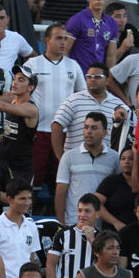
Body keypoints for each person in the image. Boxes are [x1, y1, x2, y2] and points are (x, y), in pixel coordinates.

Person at [26, 24, 85, 193]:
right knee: (34, 180)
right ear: (47, 41)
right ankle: (29, 216)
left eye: (65, 39)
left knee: (62, 181)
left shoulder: (73, 65)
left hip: (65, 133)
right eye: (59, 38)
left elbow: (82, 96)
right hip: (37, 132)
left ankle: (62, 218)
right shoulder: (32, 64)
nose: (63, 42)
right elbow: (21, 94)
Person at [55, 112, 121, 227]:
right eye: (86, 127)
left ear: (104, 133)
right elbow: (60, 193)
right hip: (74, 223)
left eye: (94, 128)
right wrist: (62, 224)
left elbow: (117, 191)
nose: (88, 132)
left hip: (103, 226)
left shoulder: (115, 157)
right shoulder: (69, 156)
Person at [52, 62, 128, 161]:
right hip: (75, 160)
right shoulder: (74, 100)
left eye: (97, 77)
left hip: (106, 162)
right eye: (89, 76)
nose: (92, 79)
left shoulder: (117, 104)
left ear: (107, 80)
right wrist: (61, 157)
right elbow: (57, 125)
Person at [0, 178, 43, 278]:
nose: (27, 202)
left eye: (29, 198)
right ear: (10, 199)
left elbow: (31, 260)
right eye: (22, 198)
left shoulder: (32, 227)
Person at [65, 0, 118, 75]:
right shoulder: (76, 20)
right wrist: (71, 73)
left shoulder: (112, 23)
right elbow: (64, 50)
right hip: (79, 76)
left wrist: (108, 79)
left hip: (99, 78)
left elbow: (111, 57)